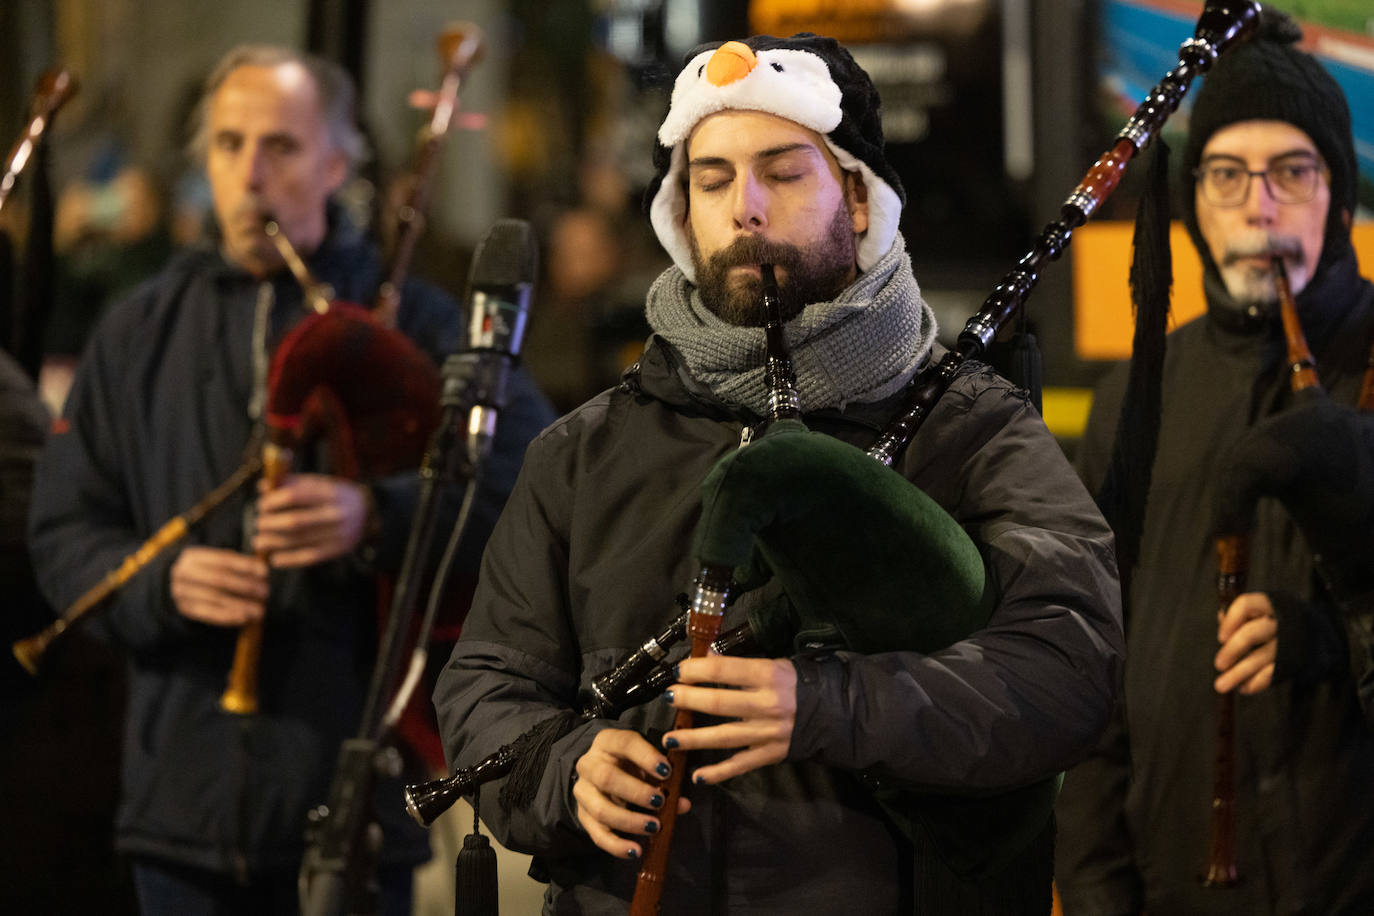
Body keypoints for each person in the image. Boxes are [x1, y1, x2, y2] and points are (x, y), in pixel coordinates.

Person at [434, 34, 1123, 914]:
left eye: (784, 172)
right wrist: (568, 770)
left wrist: (829, 705)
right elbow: (488, 682)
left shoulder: (976, 431)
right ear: (680, 216)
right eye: (712, 180)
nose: (744, 207)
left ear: (863, 201)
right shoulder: (583, 452)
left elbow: (1069, 670)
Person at [26, 45, 553, 914]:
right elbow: (64, 529)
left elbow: (520, 492)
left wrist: (372, 517)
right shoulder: (140, 331)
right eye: (228, 145)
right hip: (179, 804)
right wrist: (161, 581)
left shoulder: (416, 321)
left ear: (336, 163)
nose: (250, 175)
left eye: (281, 147)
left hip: (352, 799)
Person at [1055, 13, 1374, 916]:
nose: (1257, 205)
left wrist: (1328, 638)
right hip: (1172, 884)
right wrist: (1092, 886)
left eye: (1292, 173)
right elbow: (1095, 661)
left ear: (1337, 195)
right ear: (1194, 200)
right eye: (1227, 175)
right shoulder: (1138, 391)